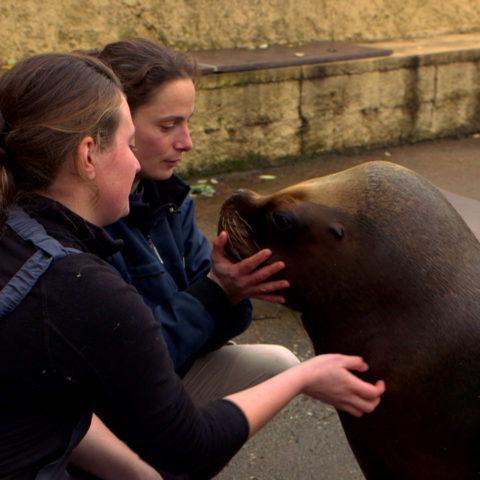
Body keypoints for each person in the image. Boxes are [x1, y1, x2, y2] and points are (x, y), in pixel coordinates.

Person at [0, 52, 385, 479]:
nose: (184, 143)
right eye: (130, 145)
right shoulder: (77, 285)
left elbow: (56, 403)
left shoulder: (19, 235)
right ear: (88, 154)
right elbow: (189, 446)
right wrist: (305, 374)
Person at [87, 37, 301, 404]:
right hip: (119, 395)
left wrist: (233, 290)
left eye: (187, 122)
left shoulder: (169, 198)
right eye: (168, 125)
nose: (186, 142)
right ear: (117, 126)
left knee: (283, 367)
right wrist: (214, 292)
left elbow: (215, 331)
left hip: (169, 370)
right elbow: (134, 363)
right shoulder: (90, 217)